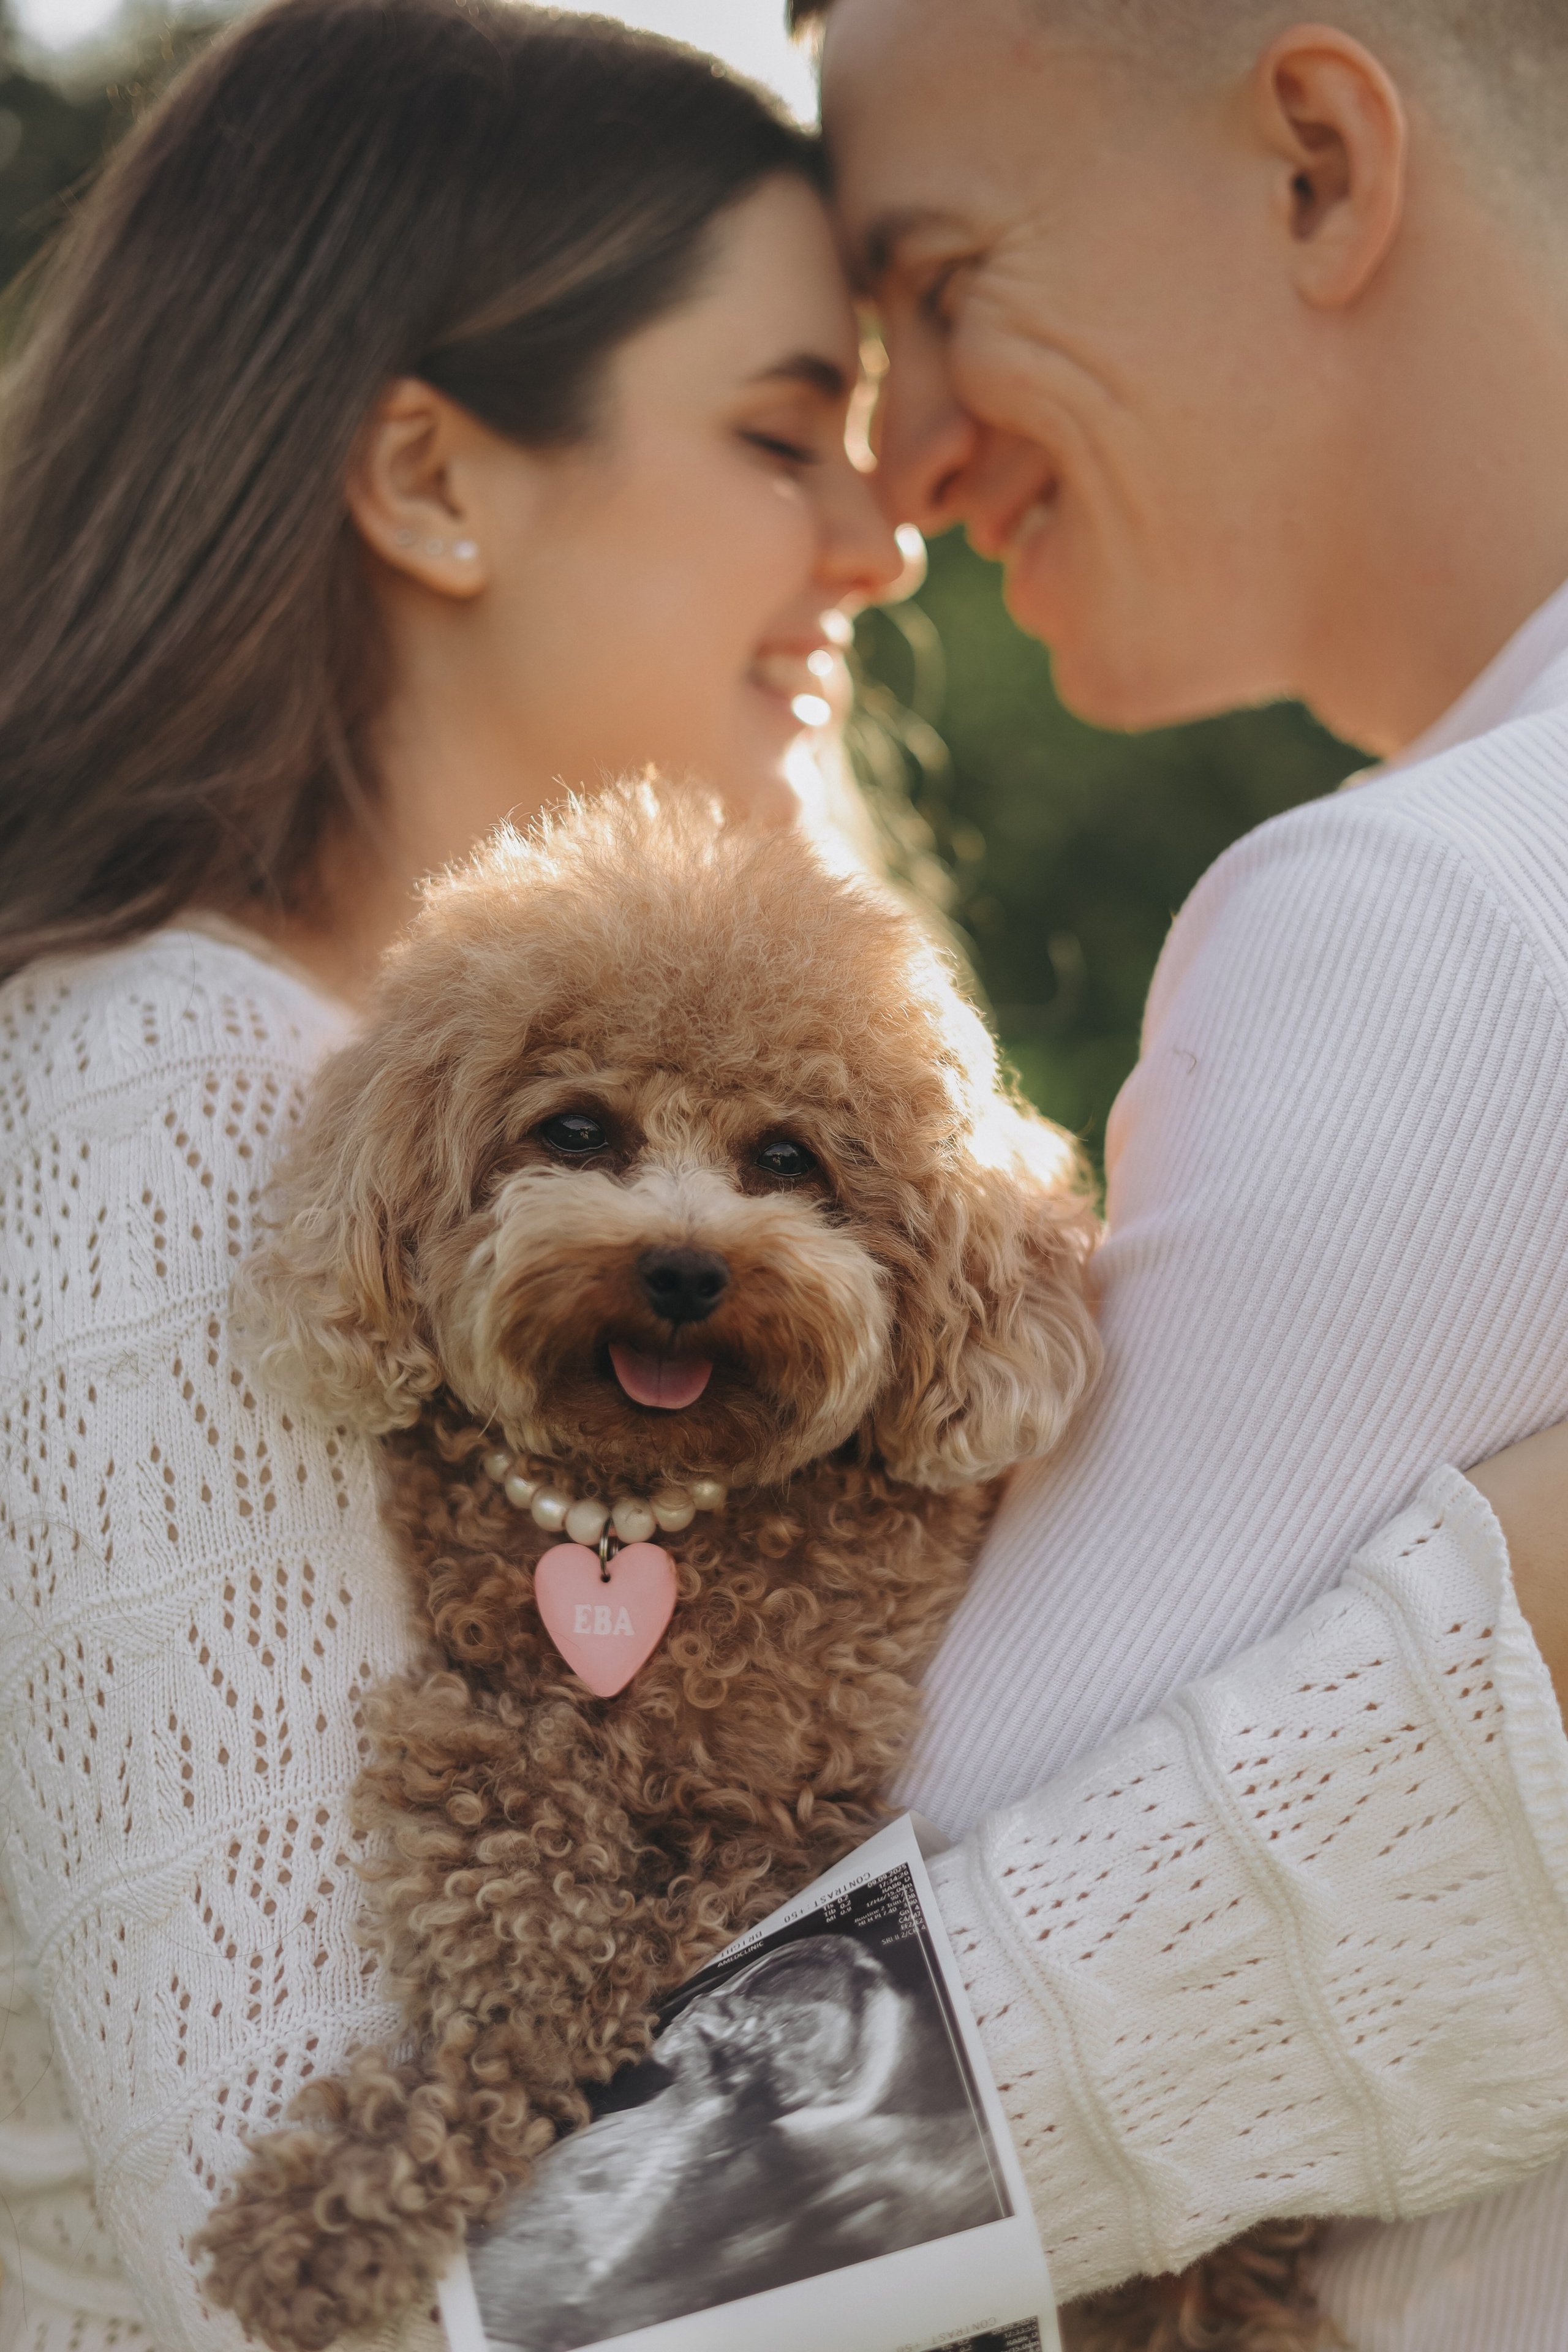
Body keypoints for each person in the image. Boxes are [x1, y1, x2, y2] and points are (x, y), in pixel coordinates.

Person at [0, 6, 902, 2345]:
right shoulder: (173, 1096)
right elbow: (347, 2294)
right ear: (429, 476)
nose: (882, 541)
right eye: (784, 434)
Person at [794, 0, 1568, 2343]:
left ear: (1321, 162)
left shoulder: (1434, 919)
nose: (896, 464)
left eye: (937, 285)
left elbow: (771, 2166)